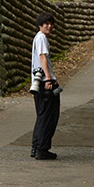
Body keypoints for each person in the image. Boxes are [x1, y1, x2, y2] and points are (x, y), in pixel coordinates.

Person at [30, 13, 60, 160]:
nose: (49, 26)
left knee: (42, 115)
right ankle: (42, 149)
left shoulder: (38, 37)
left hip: (39, 82)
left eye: (51, 23)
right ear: (40, 25)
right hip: (44, 82)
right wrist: (48, 78)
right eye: (46, 23)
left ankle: (36, 147)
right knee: (49, 116)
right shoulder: (41, 37)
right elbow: (42, 57)